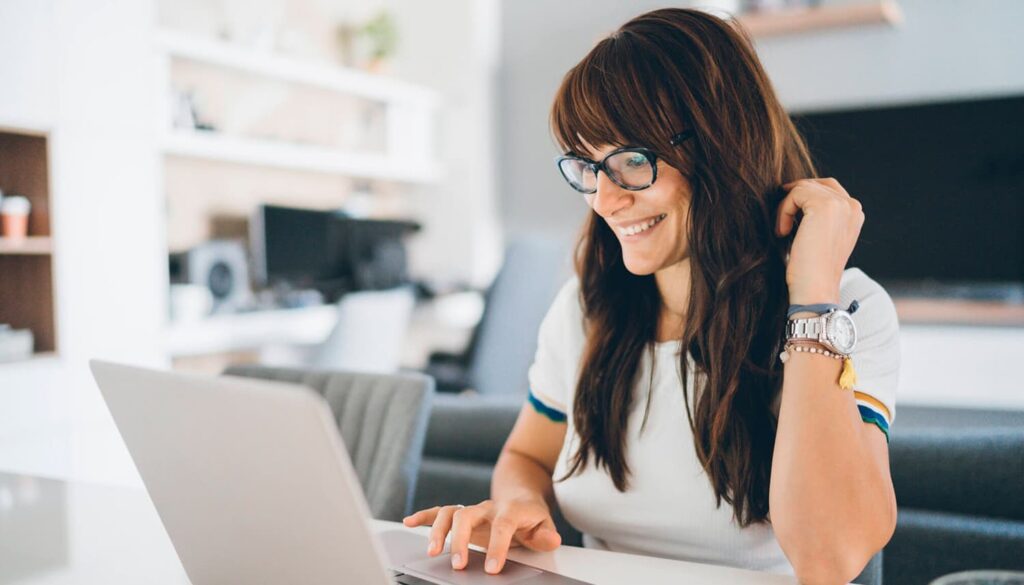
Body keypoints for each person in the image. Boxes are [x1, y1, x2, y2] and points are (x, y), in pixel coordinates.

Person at [404, 7, 899, 584]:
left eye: (633, 161)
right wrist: (521, 502)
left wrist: (812, 298)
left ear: (722, 145)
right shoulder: (586, 310)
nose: (604, 200)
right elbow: (526, 457)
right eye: (588, 167)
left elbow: (830, 560)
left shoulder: (848, 312)